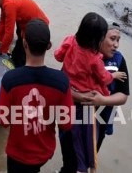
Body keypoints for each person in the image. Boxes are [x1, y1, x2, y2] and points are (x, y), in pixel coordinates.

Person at [0, 19, 73, 173]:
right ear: (49, 46)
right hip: (44, 152)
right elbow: (66, 124)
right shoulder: (61, 81)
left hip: (18, 153)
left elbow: (2, 121)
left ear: (24, 43)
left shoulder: (10, 79)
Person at [54, 12, 127, 173]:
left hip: (99, 120)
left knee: (89, 152)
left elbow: (123, 97)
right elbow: (61, 86)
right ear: (97, 39)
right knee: (71, 158)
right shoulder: (94, 59)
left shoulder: (118, 61)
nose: (116, 45)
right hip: (72, 114)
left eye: (118, 39)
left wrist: (102, 100)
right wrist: (80, 96)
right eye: (111, 38)